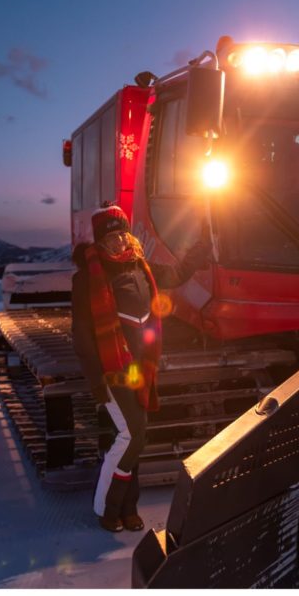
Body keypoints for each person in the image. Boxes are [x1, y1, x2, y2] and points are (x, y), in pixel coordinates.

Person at [70, 204, 209, 533]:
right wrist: (95, 382)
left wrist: (199, 249)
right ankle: (107, 507)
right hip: (112, 369)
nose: (118, 241)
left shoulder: (141, 267)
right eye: (110, 236)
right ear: (99, 241)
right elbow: (82, 335)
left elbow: (175, 275)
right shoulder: (87, 279)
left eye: (122, 233)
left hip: (139, 369)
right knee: (131, 436)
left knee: (134, 437)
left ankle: (128, 507)